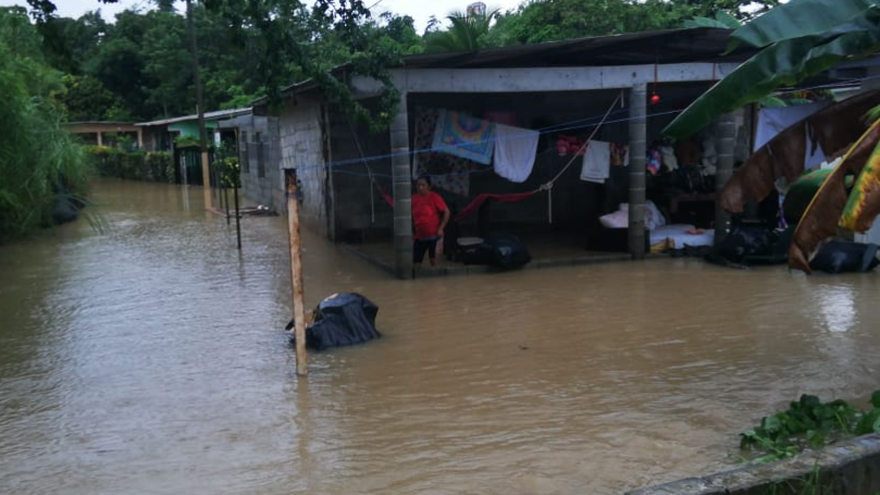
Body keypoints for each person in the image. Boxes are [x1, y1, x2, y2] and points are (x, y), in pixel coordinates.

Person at [411, 175, 450, 268]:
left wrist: (441, 228)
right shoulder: (413, 199)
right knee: (416, 264)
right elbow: (410, 216)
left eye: (423, 185)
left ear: (428, 186)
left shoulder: (434, 197)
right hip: (419, 237)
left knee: (434, 262)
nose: (420, 187)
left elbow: (447, 212)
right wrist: (412, 232)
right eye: (418, 185)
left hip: (435, 237)